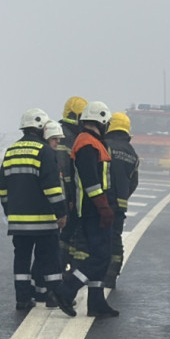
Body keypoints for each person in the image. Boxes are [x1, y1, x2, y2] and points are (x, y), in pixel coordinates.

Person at [49, 101, 119, 318]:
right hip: (93, 210)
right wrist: (104, 208)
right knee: (99, 256)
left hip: (94, 209)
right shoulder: (88, 144)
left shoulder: (91, 141)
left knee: (102, 256)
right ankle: (66, 290)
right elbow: (91, 182)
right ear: (102, 122)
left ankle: (96, 302)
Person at [0, 109, 67, 311]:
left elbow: (2, 187)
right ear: (40, 128)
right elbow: (52, 187)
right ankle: (54, 297)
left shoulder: (11, 151)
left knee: (21, 260)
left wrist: (8, 210)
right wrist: (61, 212)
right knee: (50, 258)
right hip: (44, 221)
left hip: (18, 221)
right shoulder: (44, 151)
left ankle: (22, 299)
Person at [103, 112, 139, 289]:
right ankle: (112, 275)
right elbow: (134, 181)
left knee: (97, 238)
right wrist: (123, 197)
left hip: (102, 202)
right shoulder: (132, 153)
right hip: (120, 205)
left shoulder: (105, 145)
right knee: (116, 239)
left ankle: (93, 274)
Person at [58, 96, 87, 270]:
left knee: (61, 240)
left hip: (58, 196)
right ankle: (62, 275)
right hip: (67, 198)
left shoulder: (60, 133)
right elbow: (67, 173)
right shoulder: (72, 137)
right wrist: (69, 200)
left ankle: (56, 274)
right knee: (66, 238)